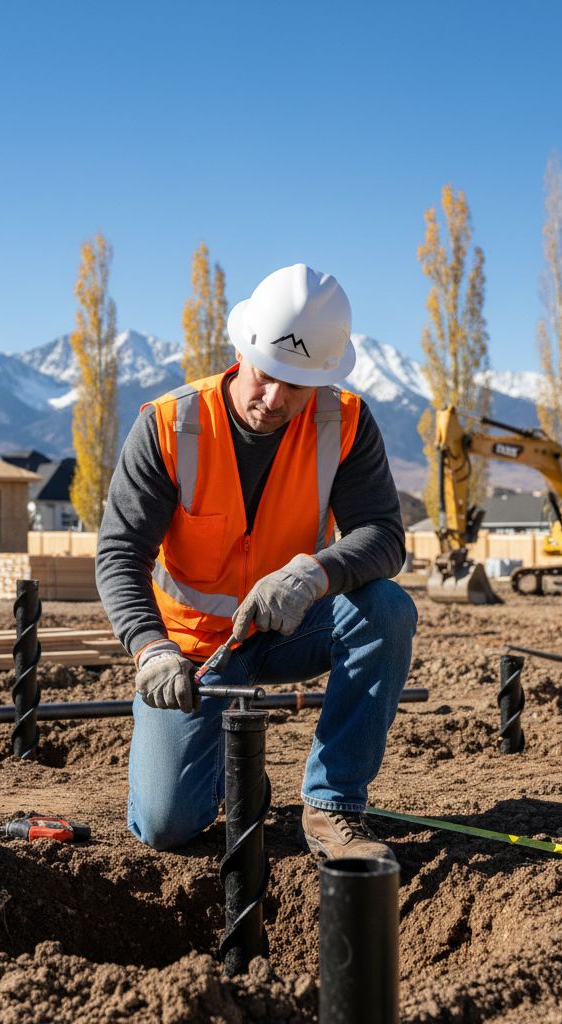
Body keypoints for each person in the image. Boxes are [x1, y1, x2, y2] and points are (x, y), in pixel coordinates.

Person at [96, 263, 417, 862]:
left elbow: (383, 536)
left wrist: (311, 573)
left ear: (321, 381)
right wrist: (150, 648)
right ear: (241, 350)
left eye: (294, 387)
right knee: (165, 826)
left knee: (387, 610)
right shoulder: (170, 426)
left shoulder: (343, 422)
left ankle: (332, 806)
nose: (272, 400)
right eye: (265, 377)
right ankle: (241, 781)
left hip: (289, 626)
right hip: (193, 653)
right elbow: (120, 554)